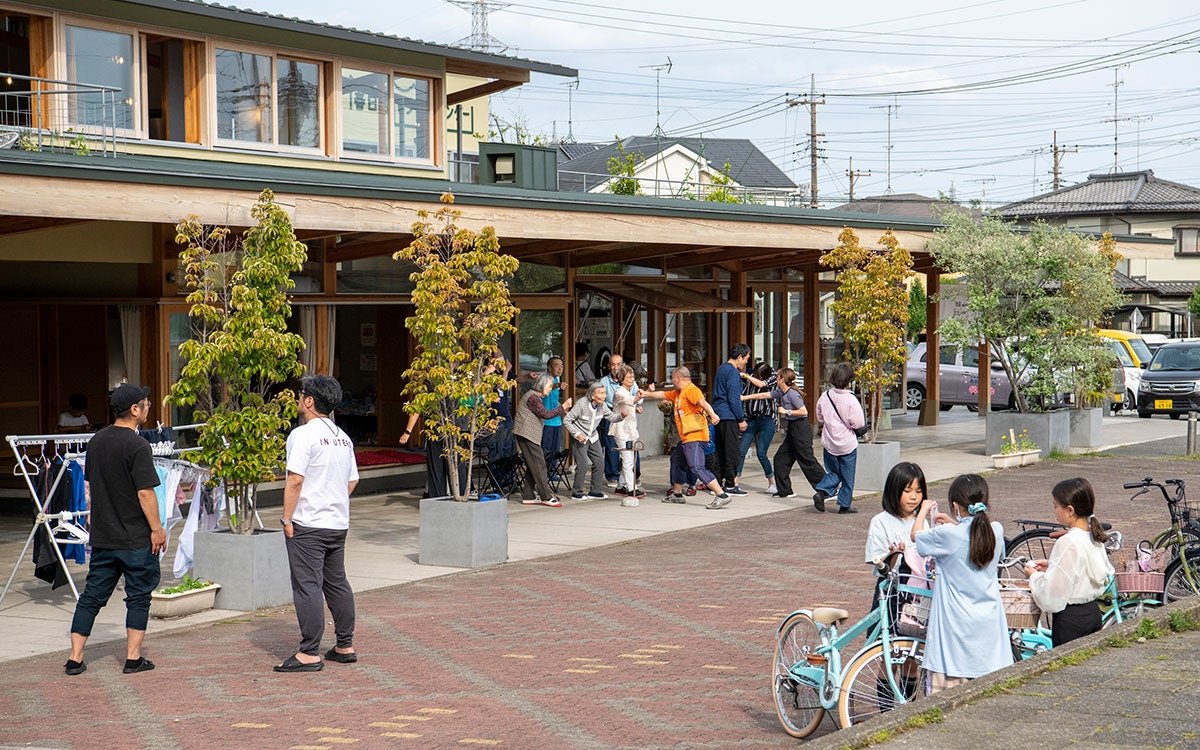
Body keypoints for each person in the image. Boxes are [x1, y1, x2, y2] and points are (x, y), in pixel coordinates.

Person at [65, 383, 166, 676]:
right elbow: (145, 493)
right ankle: (133, 659)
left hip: (105, 536)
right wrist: (157, 529)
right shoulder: (137, 445)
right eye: (145, 403)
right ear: (135, 409)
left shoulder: (96, 441)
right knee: (138, 596)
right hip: (135, 537)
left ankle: (75, 658)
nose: (148, 407)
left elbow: (93, 482)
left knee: (92, 597)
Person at [276, 375, 360, 673]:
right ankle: (344, 644)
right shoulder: (342, 437)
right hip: (337, 521)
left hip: (308, 522)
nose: (299, 399)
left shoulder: (303, 435)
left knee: (307, 585)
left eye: (302, 395)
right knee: (336, 581)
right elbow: (351, 480)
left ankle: (309, 652)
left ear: (309, 401)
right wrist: (331, 497)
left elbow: (295, 479)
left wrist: (287, 518)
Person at [912, 473, 1012, 693]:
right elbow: (973, 537)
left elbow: (916, 535)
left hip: (953, 639)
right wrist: (956, 523)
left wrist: (923, 511)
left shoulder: (948, 535)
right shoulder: (996, 530)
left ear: (955, 505)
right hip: (990, 636)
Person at [1024, 477, 1115, 647]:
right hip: (1093, 613)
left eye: (1056, 506)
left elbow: (1053, 594)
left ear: (1070, 510)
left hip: (1071, 619)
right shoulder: (1093, 535)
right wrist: (1052, 565)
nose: (1054, 510)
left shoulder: (1067, 542)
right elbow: (1083, 571)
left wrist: (1034, 576)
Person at [649, 367, 732, 510]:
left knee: (697, 467)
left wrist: (713, 414)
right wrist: (645, 393)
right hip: (686, 438)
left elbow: (703, 403)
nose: (671, 380)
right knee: (676, 459)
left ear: (678, 378)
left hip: (695, 436)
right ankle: (677, 493)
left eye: (672, 377)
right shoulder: (678, 393)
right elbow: (662, 394)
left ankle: (721, 495)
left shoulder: (692, 390)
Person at [812, 362, 865, 514]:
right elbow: (858, 422)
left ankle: (821, 492)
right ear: (848, 380)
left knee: (834, 473)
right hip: (847, 443)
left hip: (829, 443)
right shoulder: (851, 400)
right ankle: (844, 505)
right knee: (847, 476)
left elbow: (819, 417)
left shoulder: (825, 396)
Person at [513, 372, 572, 507]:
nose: (551, 389)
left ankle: (528, 495)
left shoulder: (535, 396)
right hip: (526, 434)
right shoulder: (533, 397)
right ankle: (546, 496)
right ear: (541, 385)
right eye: (549, 386)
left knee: (532, 465)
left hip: (529, 434)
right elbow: (546, 414)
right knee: (539, 464)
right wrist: (562, 407)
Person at [770, 369, 825, 500]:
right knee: (780, 459)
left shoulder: (792, 394)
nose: (775, 379)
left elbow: (803, 412)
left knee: (807, 460)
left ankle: (828, 489)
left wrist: (786, 411)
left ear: (782, 379)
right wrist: (744, 398)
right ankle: (785, 490)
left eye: (777, 377)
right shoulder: (781, 392)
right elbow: (763, 395)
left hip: (801, 428)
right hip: (792, 430)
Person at [712, 344, 751, 495]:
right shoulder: (733, 372)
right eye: (746, 359)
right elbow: (734, 398)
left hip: (718, 414)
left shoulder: (722, 368)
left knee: (720, 451)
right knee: (732, 452)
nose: (746, 362)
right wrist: (741, 418)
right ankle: (730, 484)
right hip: (729, 415)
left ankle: (718, 481)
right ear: (739, 357)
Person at [564, 382, 611, 502]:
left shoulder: (602, 405)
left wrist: (622, 415)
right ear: (593, 395)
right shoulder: (582, 403)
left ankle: (595, 491)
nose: (604, 395)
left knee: (599, 462)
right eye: (601, 393)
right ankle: (577, 492)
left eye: (604, 393)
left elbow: (611, 417)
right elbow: (567, 420)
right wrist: (577, 434)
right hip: (580, 436)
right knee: (583, 464)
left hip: (593, 437)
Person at [737, 362, 778, 494]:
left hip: (767, 418)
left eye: (759, 375)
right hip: (752, 419)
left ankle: (772, 482)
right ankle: (735, 481)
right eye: (754, 374)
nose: (756, 377)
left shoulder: (773, 378)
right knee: (741, 450)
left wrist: (746, 376)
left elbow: (761, 386)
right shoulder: (749, 380)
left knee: (761, 452)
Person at [600, 354, 639, 485]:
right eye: (613, 364)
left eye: (618, 364)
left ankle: (624, 483)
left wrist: (637, 404)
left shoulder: (629, 386)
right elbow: (631, 400)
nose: (615, 367)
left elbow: (635, 399)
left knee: (631, 453)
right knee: (620, 452)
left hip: (630, 424)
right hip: (615, 421)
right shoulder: (616, 389)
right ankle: (626, 485)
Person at [610, 365, 647, 505]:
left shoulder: (628, 391)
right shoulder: (619, 392)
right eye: (629, 377)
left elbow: (630, 404)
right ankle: (631, 488)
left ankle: (620, 486)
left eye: (632, 376)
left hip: (630, 429)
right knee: (627, 459)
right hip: (621, 430)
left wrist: (636, 408)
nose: (632, 379)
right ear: (621, 379)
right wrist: (639, 397)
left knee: (630, 457)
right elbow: (629, 401)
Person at [540, 356, 567, 469]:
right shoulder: (544, 378)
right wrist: (557, 386)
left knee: (555, 449)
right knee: (545, 449)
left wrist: (565, 410)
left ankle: (552, 470)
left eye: (562, 366)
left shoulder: (557, 379)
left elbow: (555, 400)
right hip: (546, 421)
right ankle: (543, 472)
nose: (560, 368)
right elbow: (544, 389)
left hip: (556, 420)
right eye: (557, 365)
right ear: (549, 368)